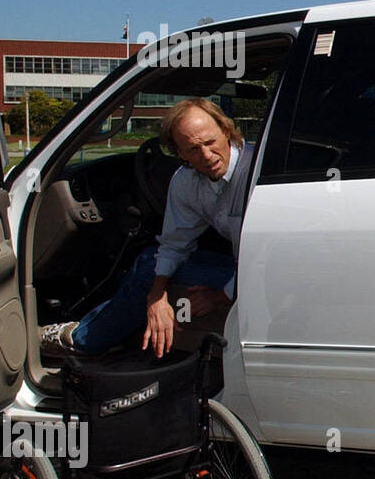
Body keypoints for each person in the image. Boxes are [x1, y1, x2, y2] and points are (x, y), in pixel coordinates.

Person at [40, 98, 252, 359]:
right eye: (193, 149)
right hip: (239, 264)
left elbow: (267, 257)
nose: (206, 156)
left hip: (264, 272)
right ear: (180, 154)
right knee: (151, 262)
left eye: (210, 142)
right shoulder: (186, 181)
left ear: (226, 131)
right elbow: (175, 244)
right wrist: (156, 296)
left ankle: (82, 340)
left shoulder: (255, 172)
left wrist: (222, 296)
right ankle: (111, 337)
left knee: (145, 269)